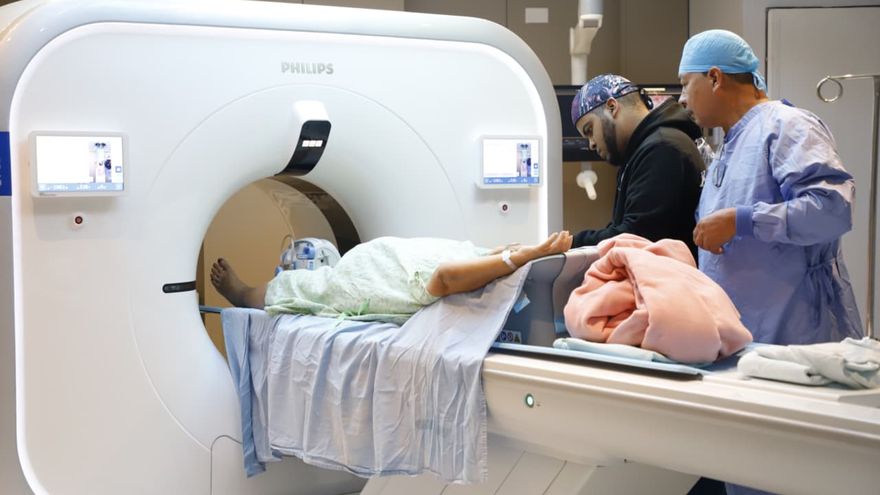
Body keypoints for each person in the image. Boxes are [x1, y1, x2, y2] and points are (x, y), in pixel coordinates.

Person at [677, 29, 863, 495]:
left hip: (795, 339)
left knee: (793, 475)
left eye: (685, 84)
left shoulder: (787, 127)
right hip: (749, 346)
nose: (681, 99)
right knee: (749, 473)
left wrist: (742, 220)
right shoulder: (731, 144)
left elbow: (831, 210)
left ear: (715, 77)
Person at [211, 231, 573, 324]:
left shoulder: (475, 283)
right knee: (320, 279)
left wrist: (521, 256)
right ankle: (249, 292)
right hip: (384, 259)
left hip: (370, 279)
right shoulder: (488, 267)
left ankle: (243, 294)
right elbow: (495, 254)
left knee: (311, 287)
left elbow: (446, 277)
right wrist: (520, 251)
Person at [569, 74, 704, 256]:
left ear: (612, 107)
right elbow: (625, 228)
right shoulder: (644, 150)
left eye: (590, 130)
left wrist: (571, 244)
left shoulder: (662, 148)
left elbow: (637, 236)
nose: (591, 143)